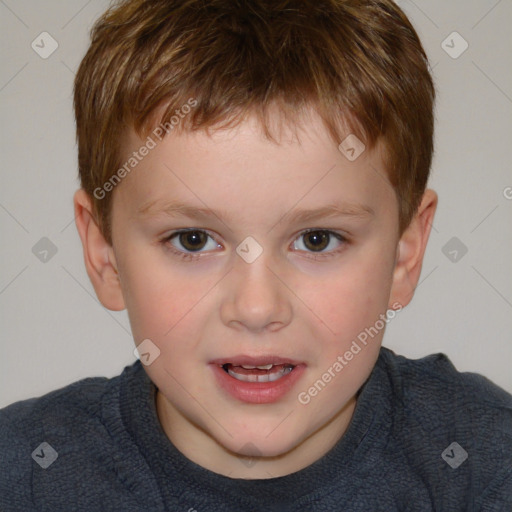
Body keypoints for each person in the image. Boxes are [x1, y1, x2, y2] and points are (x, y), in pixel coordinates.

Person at [1, 0, 511, 510]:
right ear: (105, 254)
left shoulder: (484, 465)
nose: (257, 307)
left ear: (405, 254)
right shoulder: (23, 476)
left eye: (317, 239)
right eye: (193, 240)